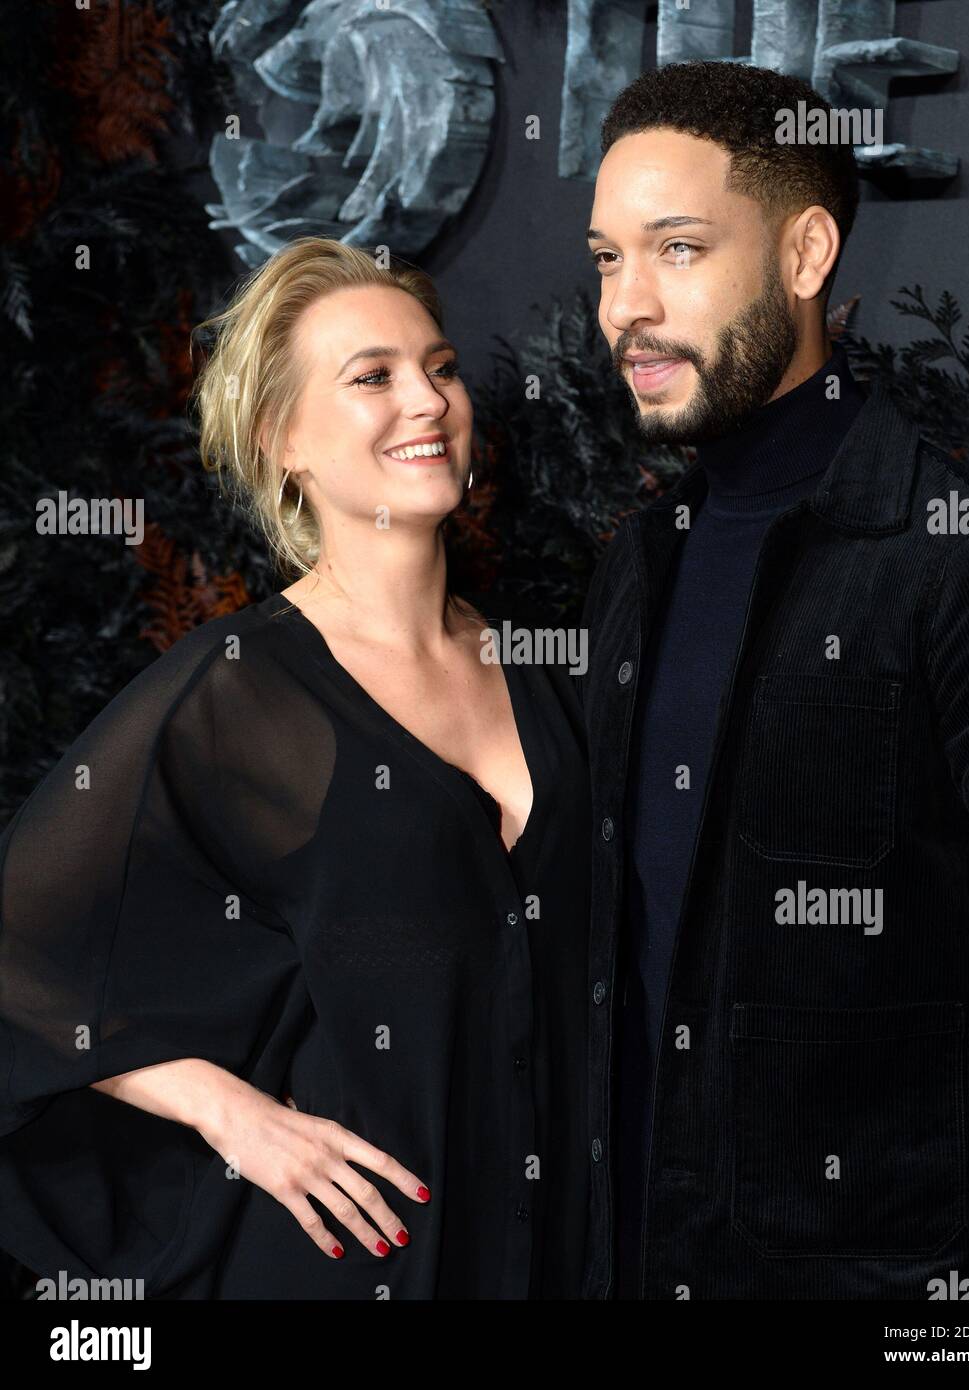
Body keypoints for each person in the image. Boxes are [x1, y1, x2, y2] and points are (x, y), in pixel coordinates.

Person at [0, 239, 591, 1299]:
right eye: (372, 377)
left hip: (548, 1255)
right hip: (341, 1265)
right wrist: (237, 1116)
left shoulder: (546, 670)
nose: (428, 399)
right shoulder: (236, 692)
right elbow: (14, 959)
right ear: (282, 440)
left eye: (441, 366)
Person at [577, 60, 969, 1300]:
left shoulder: (957, 557)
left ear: (804, 255)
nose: (627, 306)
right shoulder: (638, 563)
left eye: (676, 250)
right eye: (605, 261)